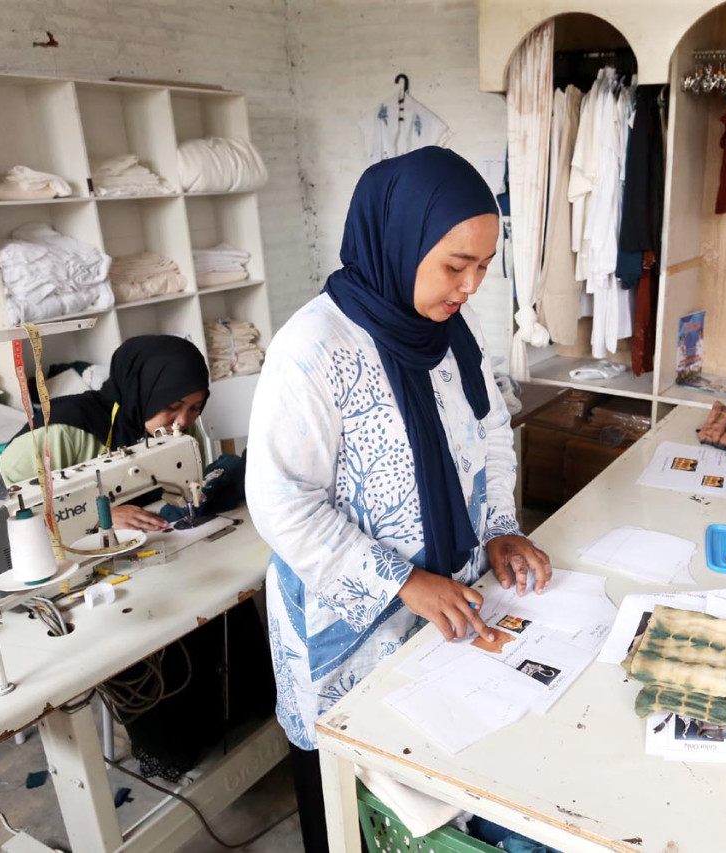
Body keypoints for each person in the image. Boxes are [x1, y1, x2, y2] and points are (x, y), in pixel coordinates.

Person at [246, 146, 553, 853]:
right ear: (399, 239)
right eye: (455, 265)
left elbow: (492, 431)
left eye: (483, 265)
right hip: (345, 632)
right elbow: (281, 502)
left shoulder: (447, 332)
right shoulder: (313, 351)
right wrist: (403, 580)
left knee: (435, 795)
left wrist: (502, 526)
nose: (471, 285)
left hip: (445, 607)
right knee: (348, 798)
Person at [0, 334, 210, 531]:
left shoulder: (181, 431)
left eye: (195, 407)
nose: (183, 420)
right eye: (171, 406)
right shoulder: (60, 430)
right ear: (141, 392)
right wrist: (95, 517)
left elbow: (191, 486)